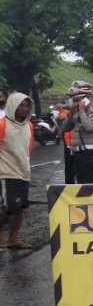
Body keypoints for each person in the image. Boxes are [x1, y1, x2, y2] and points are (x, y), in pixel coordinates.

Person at [0, 93, 34, 249]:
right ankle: (12, 238)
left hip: (24, 172)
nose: (24, 109)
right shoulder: (2, 125)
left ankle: (13, 239)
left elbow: (28, 149)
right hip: (7, 173)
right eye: (21, 105)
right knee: (12, 208)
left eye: (27, 105)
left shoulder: (29, 126)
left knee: (17, 208)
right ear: (13, 105)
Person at [60, 81, 93, 183]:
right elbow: (65, 129)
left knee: (92, 183)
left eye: (78, 100)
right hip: (77, 154)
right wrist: (71, 115)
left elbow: (89, 126)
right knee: (80, 183)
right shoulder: (76, 113)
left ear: (87, 98)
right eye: (74, 100)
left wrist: (82, 111)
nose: (75, 103)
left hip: (91, 154)